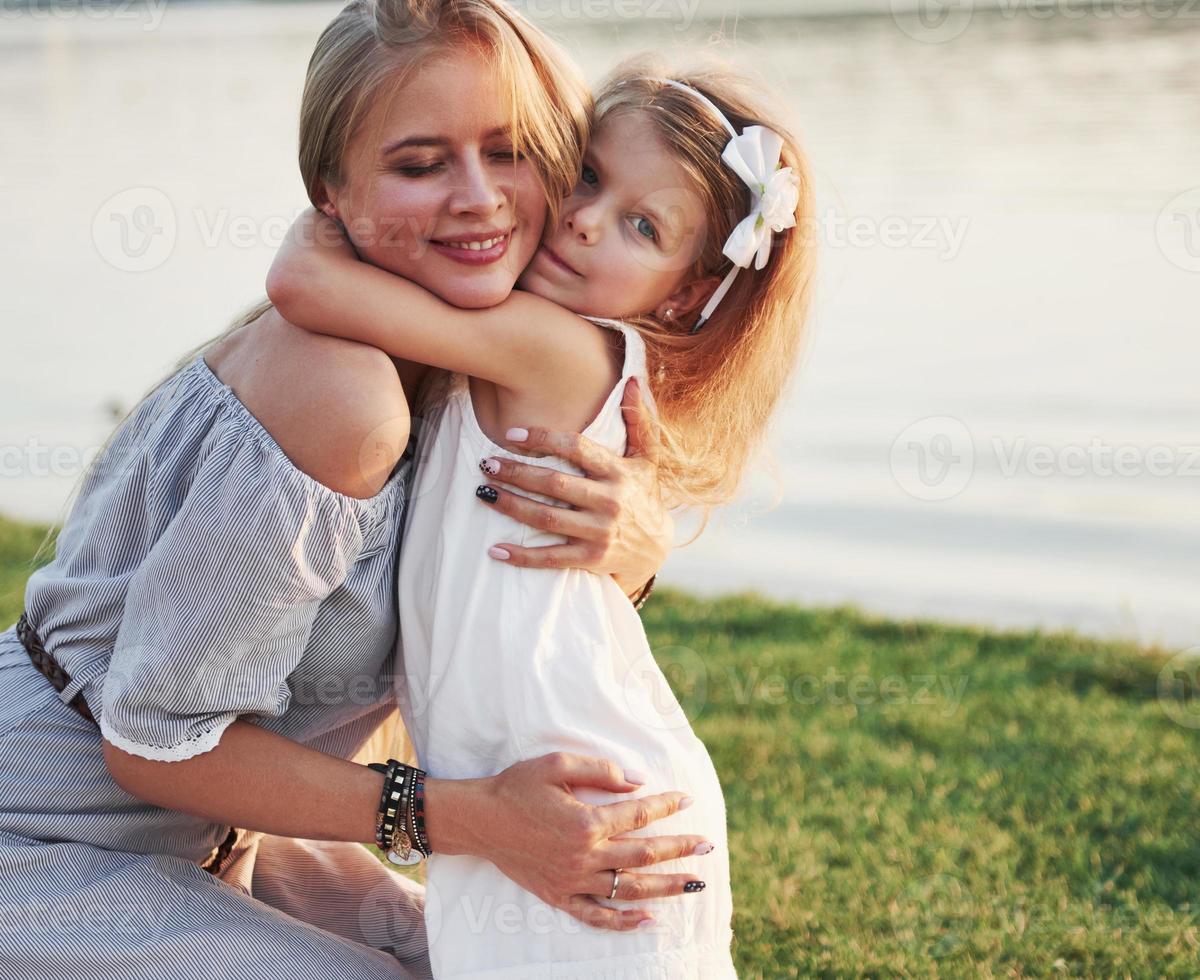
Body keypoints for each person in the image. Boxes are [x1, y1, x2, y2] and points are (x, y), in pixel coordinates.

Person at [0, 4, 717, 977]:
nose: (479, 199)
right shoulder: (341, 394)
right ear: (329, 192)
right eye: (419, 165)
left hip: (215, 835)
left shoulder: (472, 372)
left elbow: (467, 624)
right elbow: (150, 750)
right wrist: (470, 819)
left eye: (509, 151)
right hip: (39, 831)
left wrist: (628, 547)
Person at [266, 53, 815, 976]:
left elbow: (306, 287)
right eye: (588, 175)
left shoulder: (557, 347)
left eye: (642, 226)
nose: (587, 221)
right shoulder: (503, 338)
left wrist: (330, 210)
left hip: (587, 798)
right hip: (517, 792)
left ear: (681, 292)